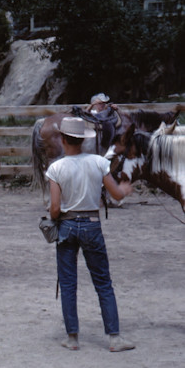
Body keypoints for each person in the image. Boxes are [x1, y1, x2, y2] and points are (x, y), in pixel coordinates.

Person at [45, 116, 134, 352]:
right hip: (92, 224)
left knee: (68, 283)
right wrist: (125, 189)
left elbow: (55, 209)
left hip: (67, 225)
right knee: (103, 283)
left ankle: (72, 337)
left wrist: (53, 217)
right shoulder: (98, 162)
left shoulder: (56, 169)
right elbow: (116, 194)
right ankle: (114, 338)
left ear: (63, 140)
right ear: (83, 140)